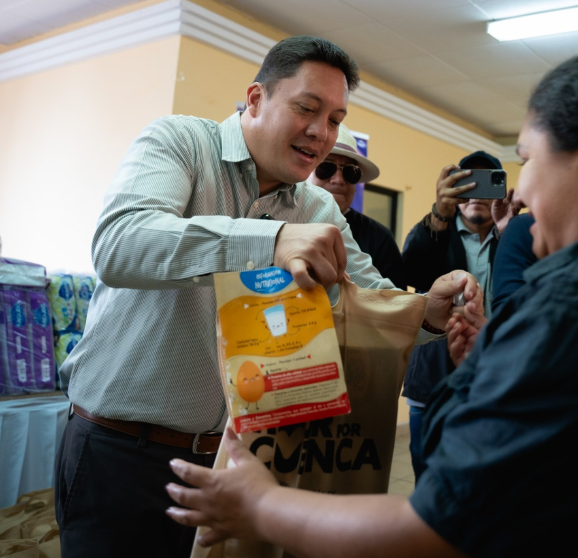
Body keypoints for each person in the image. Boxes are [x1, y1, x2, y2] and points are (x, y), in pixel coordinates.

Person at [165, 52, 578, 556]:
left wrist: (263, 506)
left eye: (528, 161)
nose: (521, 196)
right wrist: (493, 356)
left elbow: (438, 528)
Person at [54, 35, 480, 558]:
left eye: (336, 119)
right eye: (307, 108)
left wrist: (429, 312)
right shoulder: (182, 143)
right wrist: (270, 240)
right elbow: (121, 245)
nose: (321, 133)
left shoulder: (317, 207)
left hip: (242, 463)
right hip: (120, 451)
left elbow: (372, 297)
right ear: (255, 99)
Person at [400, 151, 515, 478]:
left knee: (492, 478)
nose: (476, 193)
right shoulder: (434, 231)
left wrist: (510, 231)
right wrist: (439, 215)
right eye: (467, 183)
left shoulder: (514, 236)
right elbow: (409, 272)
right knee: (428, 474)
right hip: (433, 380)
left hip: (499, 378)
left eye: (487, 183)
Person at [306, 123, 405, 289]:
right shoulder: (285, 213)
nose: (338, 179)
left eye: (350, 172)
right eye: (326, 167)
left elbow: (392, 301)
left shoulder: (380, 238)